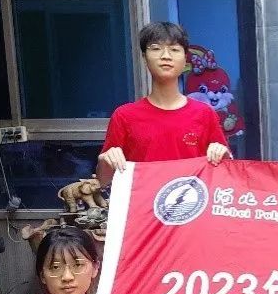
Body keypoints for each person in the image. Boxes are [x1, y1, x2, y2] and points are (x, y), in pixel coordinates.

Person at [97, 22, 230, 185]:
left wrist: (223, 155)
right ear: (144, 57)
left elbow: (224, 176)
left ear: (185, 59)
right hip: (143, 201)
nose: (166, 56)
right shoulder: (124, 116)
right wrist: (105, 161)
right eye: (156, 48)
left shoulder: (204, 114)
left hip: (192, 199)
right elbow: (104, 181)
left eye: (174, 49)